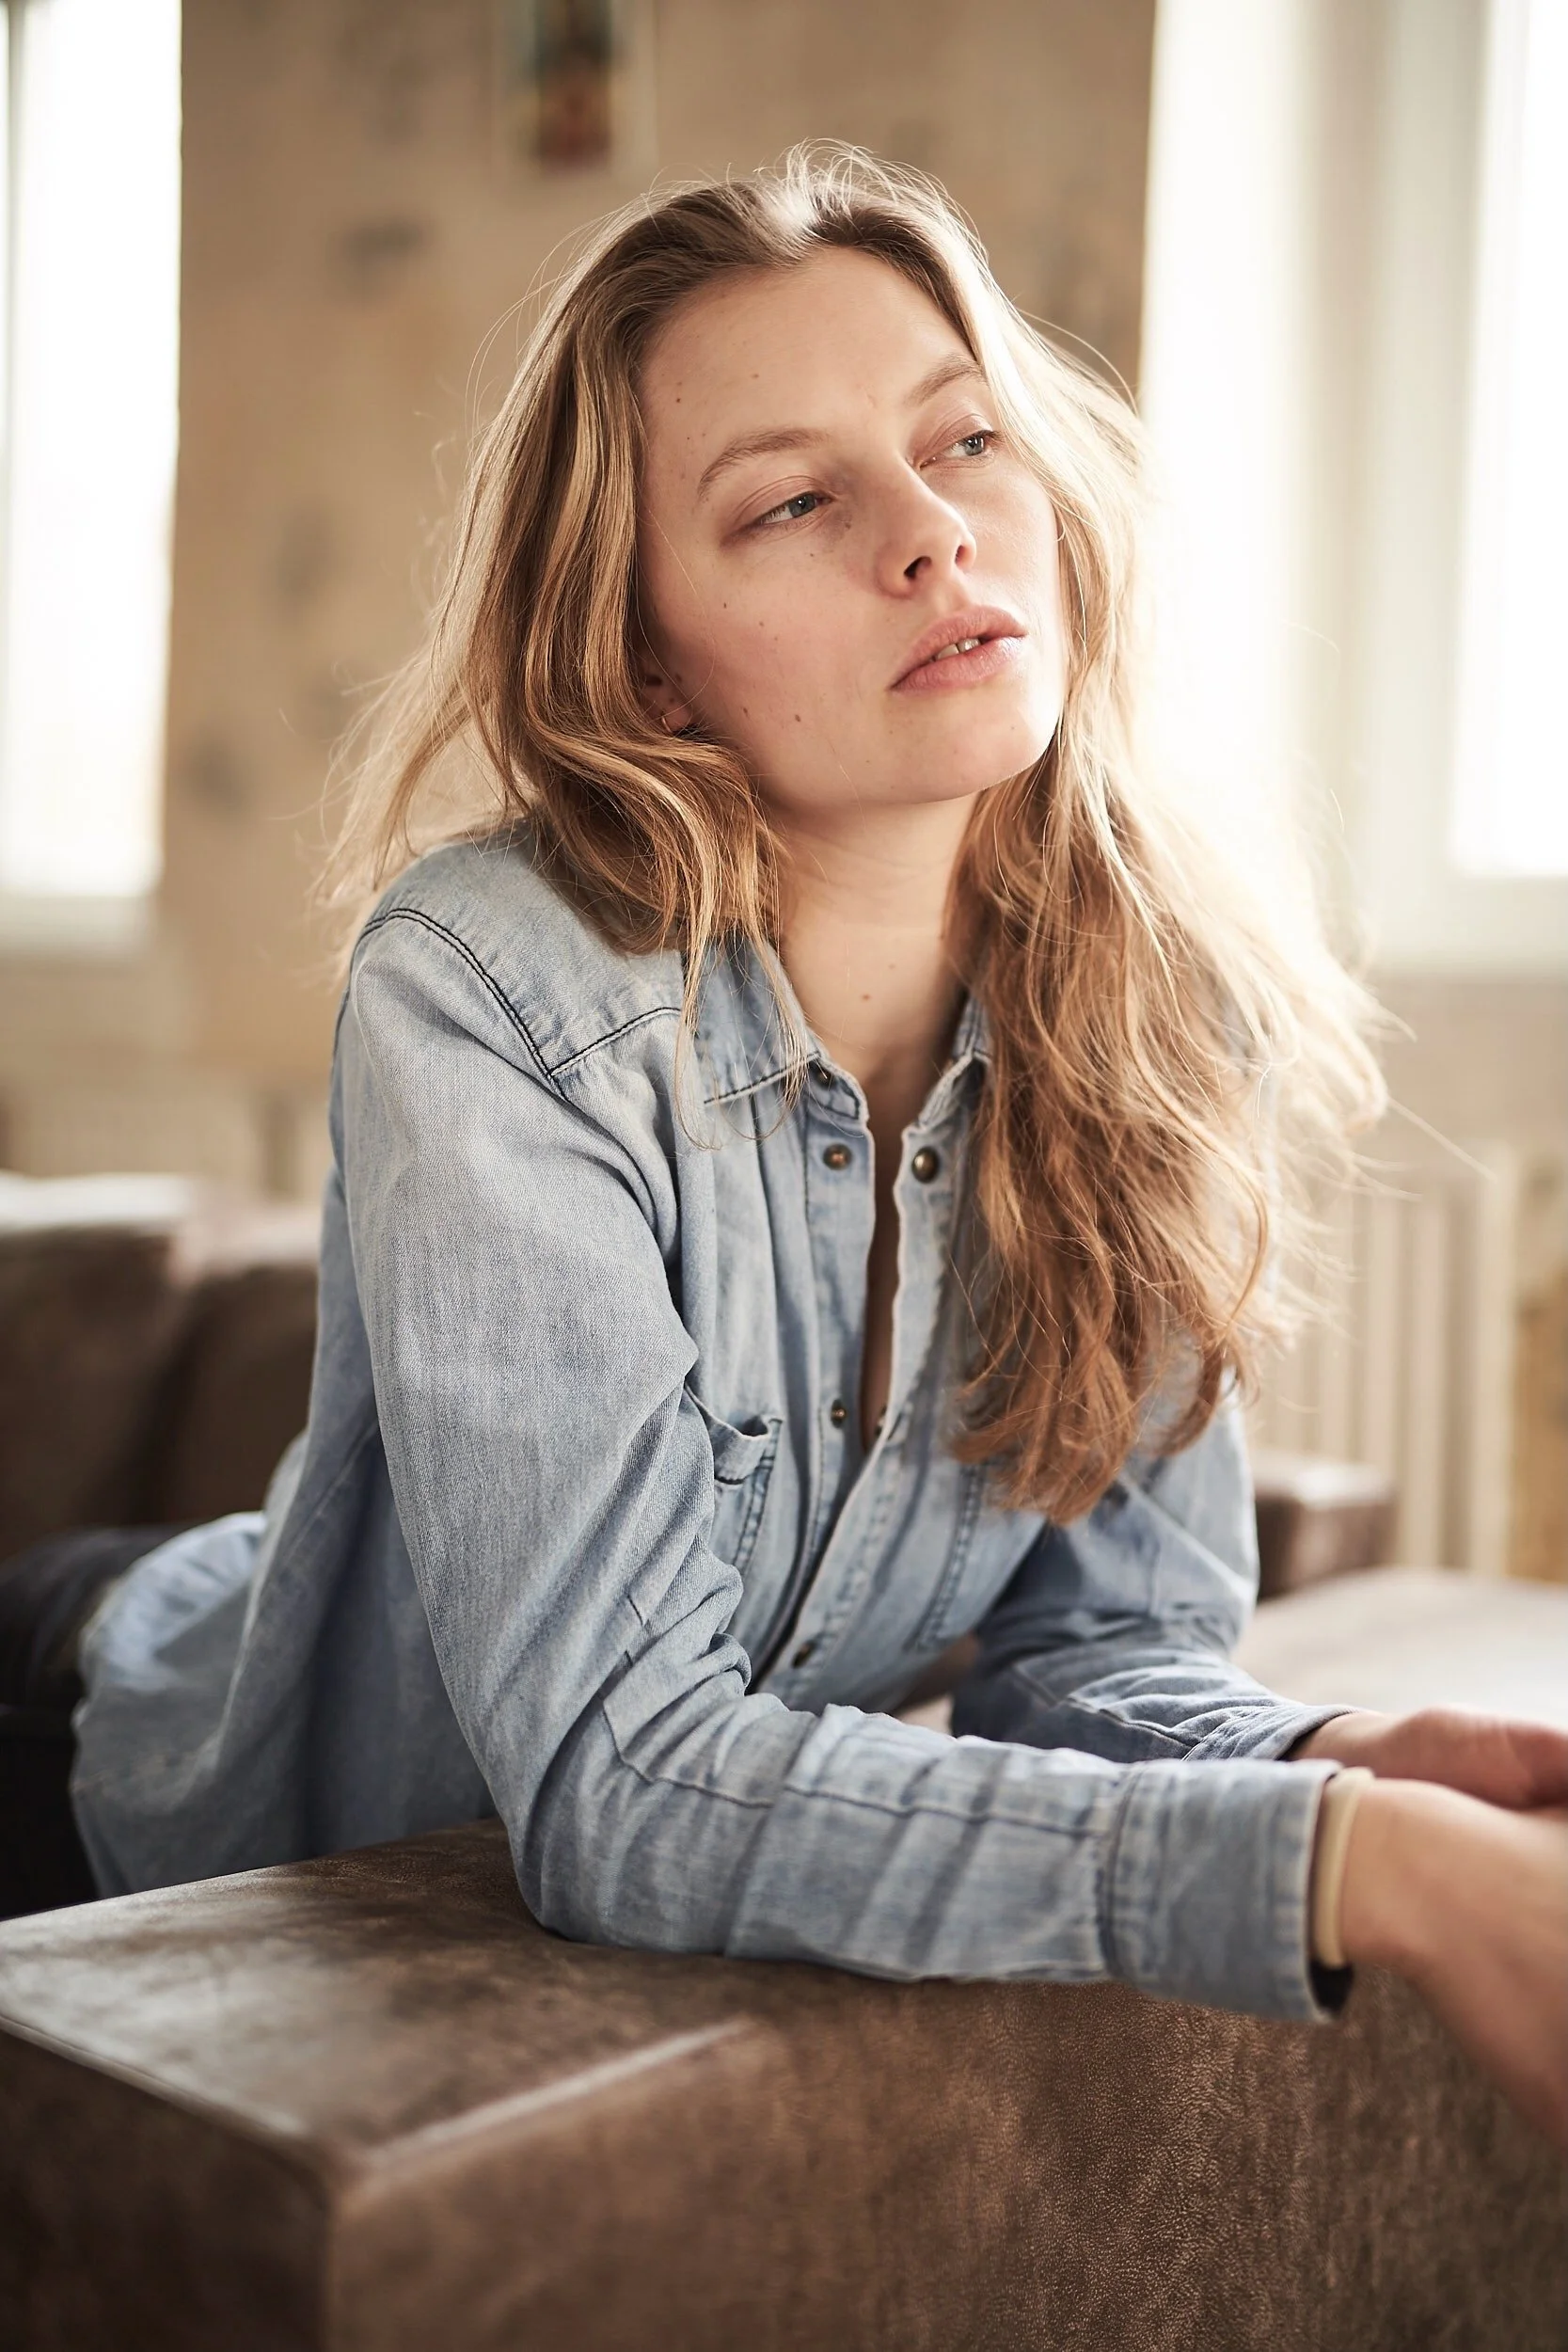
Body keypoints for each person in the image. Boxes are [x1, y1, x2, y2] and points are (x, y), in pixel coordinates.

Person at [8, 148, 1563, 2145]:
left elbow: (1093, 1650)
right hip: (88, 1718)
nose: (930, 534)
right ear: (644, 651)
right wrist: (1361, 1872)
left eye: (964, 438)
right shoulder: (495, 984)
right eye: (795, 500)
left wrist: (1335, 1758)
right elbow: (618, 1777)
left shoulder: (1151, 1004)